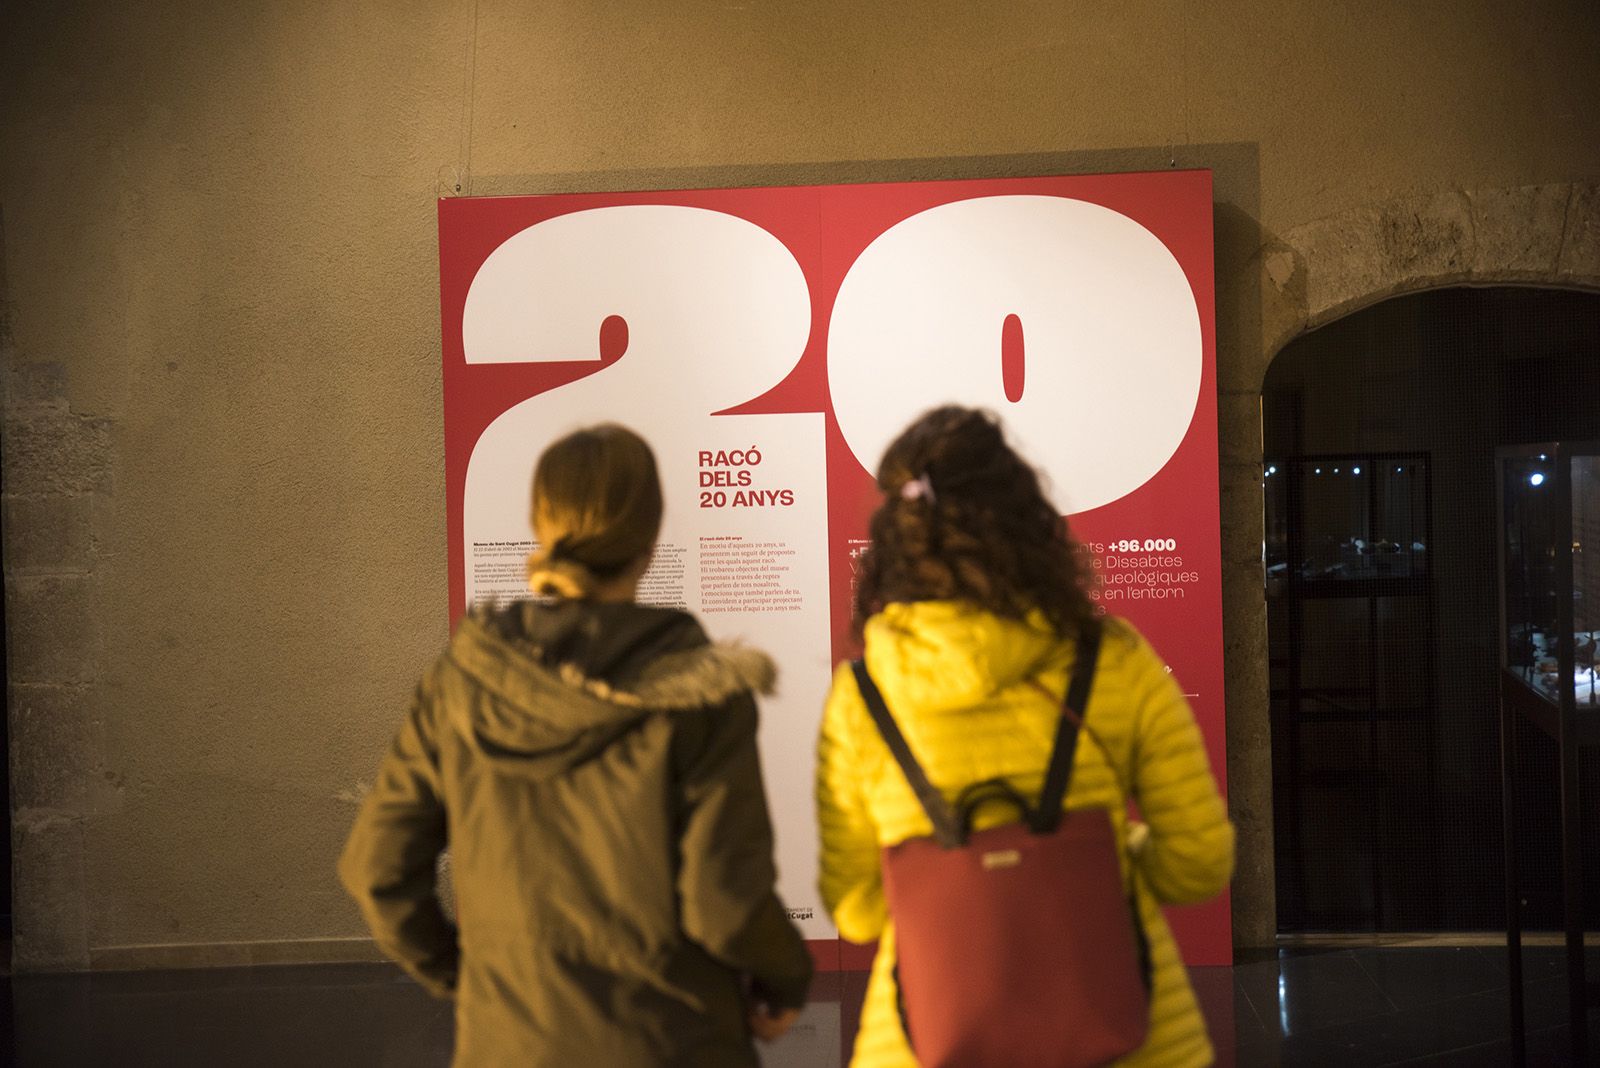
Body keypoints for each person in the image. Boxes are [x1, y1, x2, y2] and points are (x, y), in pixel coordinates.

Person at [340, 423, 813, 1067]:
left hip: (511, 1043)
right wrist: (786, 980)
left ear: (541, 527)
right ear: (649, 539)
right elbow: (722, 899)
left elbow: (377, 866)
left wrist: (468, 980)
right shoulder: (701, 693)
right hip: (674, 1042)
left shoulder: (461, 685)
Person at [815, 406, 1234, 1067]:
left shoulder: (861, 696)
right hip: (1129, 1033)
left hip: (925, 1035)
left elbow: (859, 911)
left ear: (898, 536)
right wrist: (1106, 849)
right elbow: (1199, 863)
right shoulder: (1114, 659)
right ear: (1026, 520)